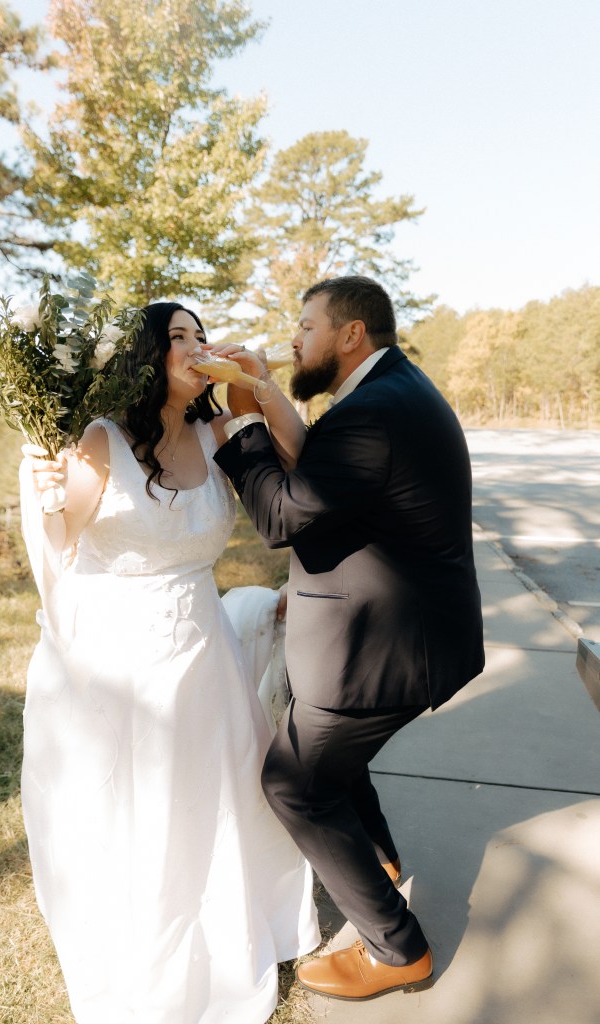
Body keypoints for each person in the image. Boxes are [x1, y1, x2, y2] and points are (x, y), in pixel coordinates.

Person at [19, 302, 320, 1024]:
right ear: (147, 357)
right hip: (120, 658)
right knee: (140, 802)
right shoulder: (103, 439)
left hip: (202, 652)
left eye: (199, 335)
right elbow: (61, 537)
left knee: (220, 794)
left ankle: (240, 926)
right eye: (176, 337)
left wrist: (260, 384)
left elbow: (301, 460)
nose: (195, 346)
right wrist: (42, 487)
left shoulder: (218, 433)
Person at [214, 275, 485, 1002]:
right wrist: (268, 393)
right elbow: (327, 479)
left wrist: (238, 426)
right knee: (335, 763)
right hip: (407, 633)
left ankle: (397, 948)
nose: (294, 339)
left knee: (295, 784)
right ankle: (378, 861)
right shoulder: (390, 392)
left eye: (306, 327)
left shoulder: (370, 414)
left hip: (385, 648)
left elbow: (280, 517)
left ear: (350, 334)